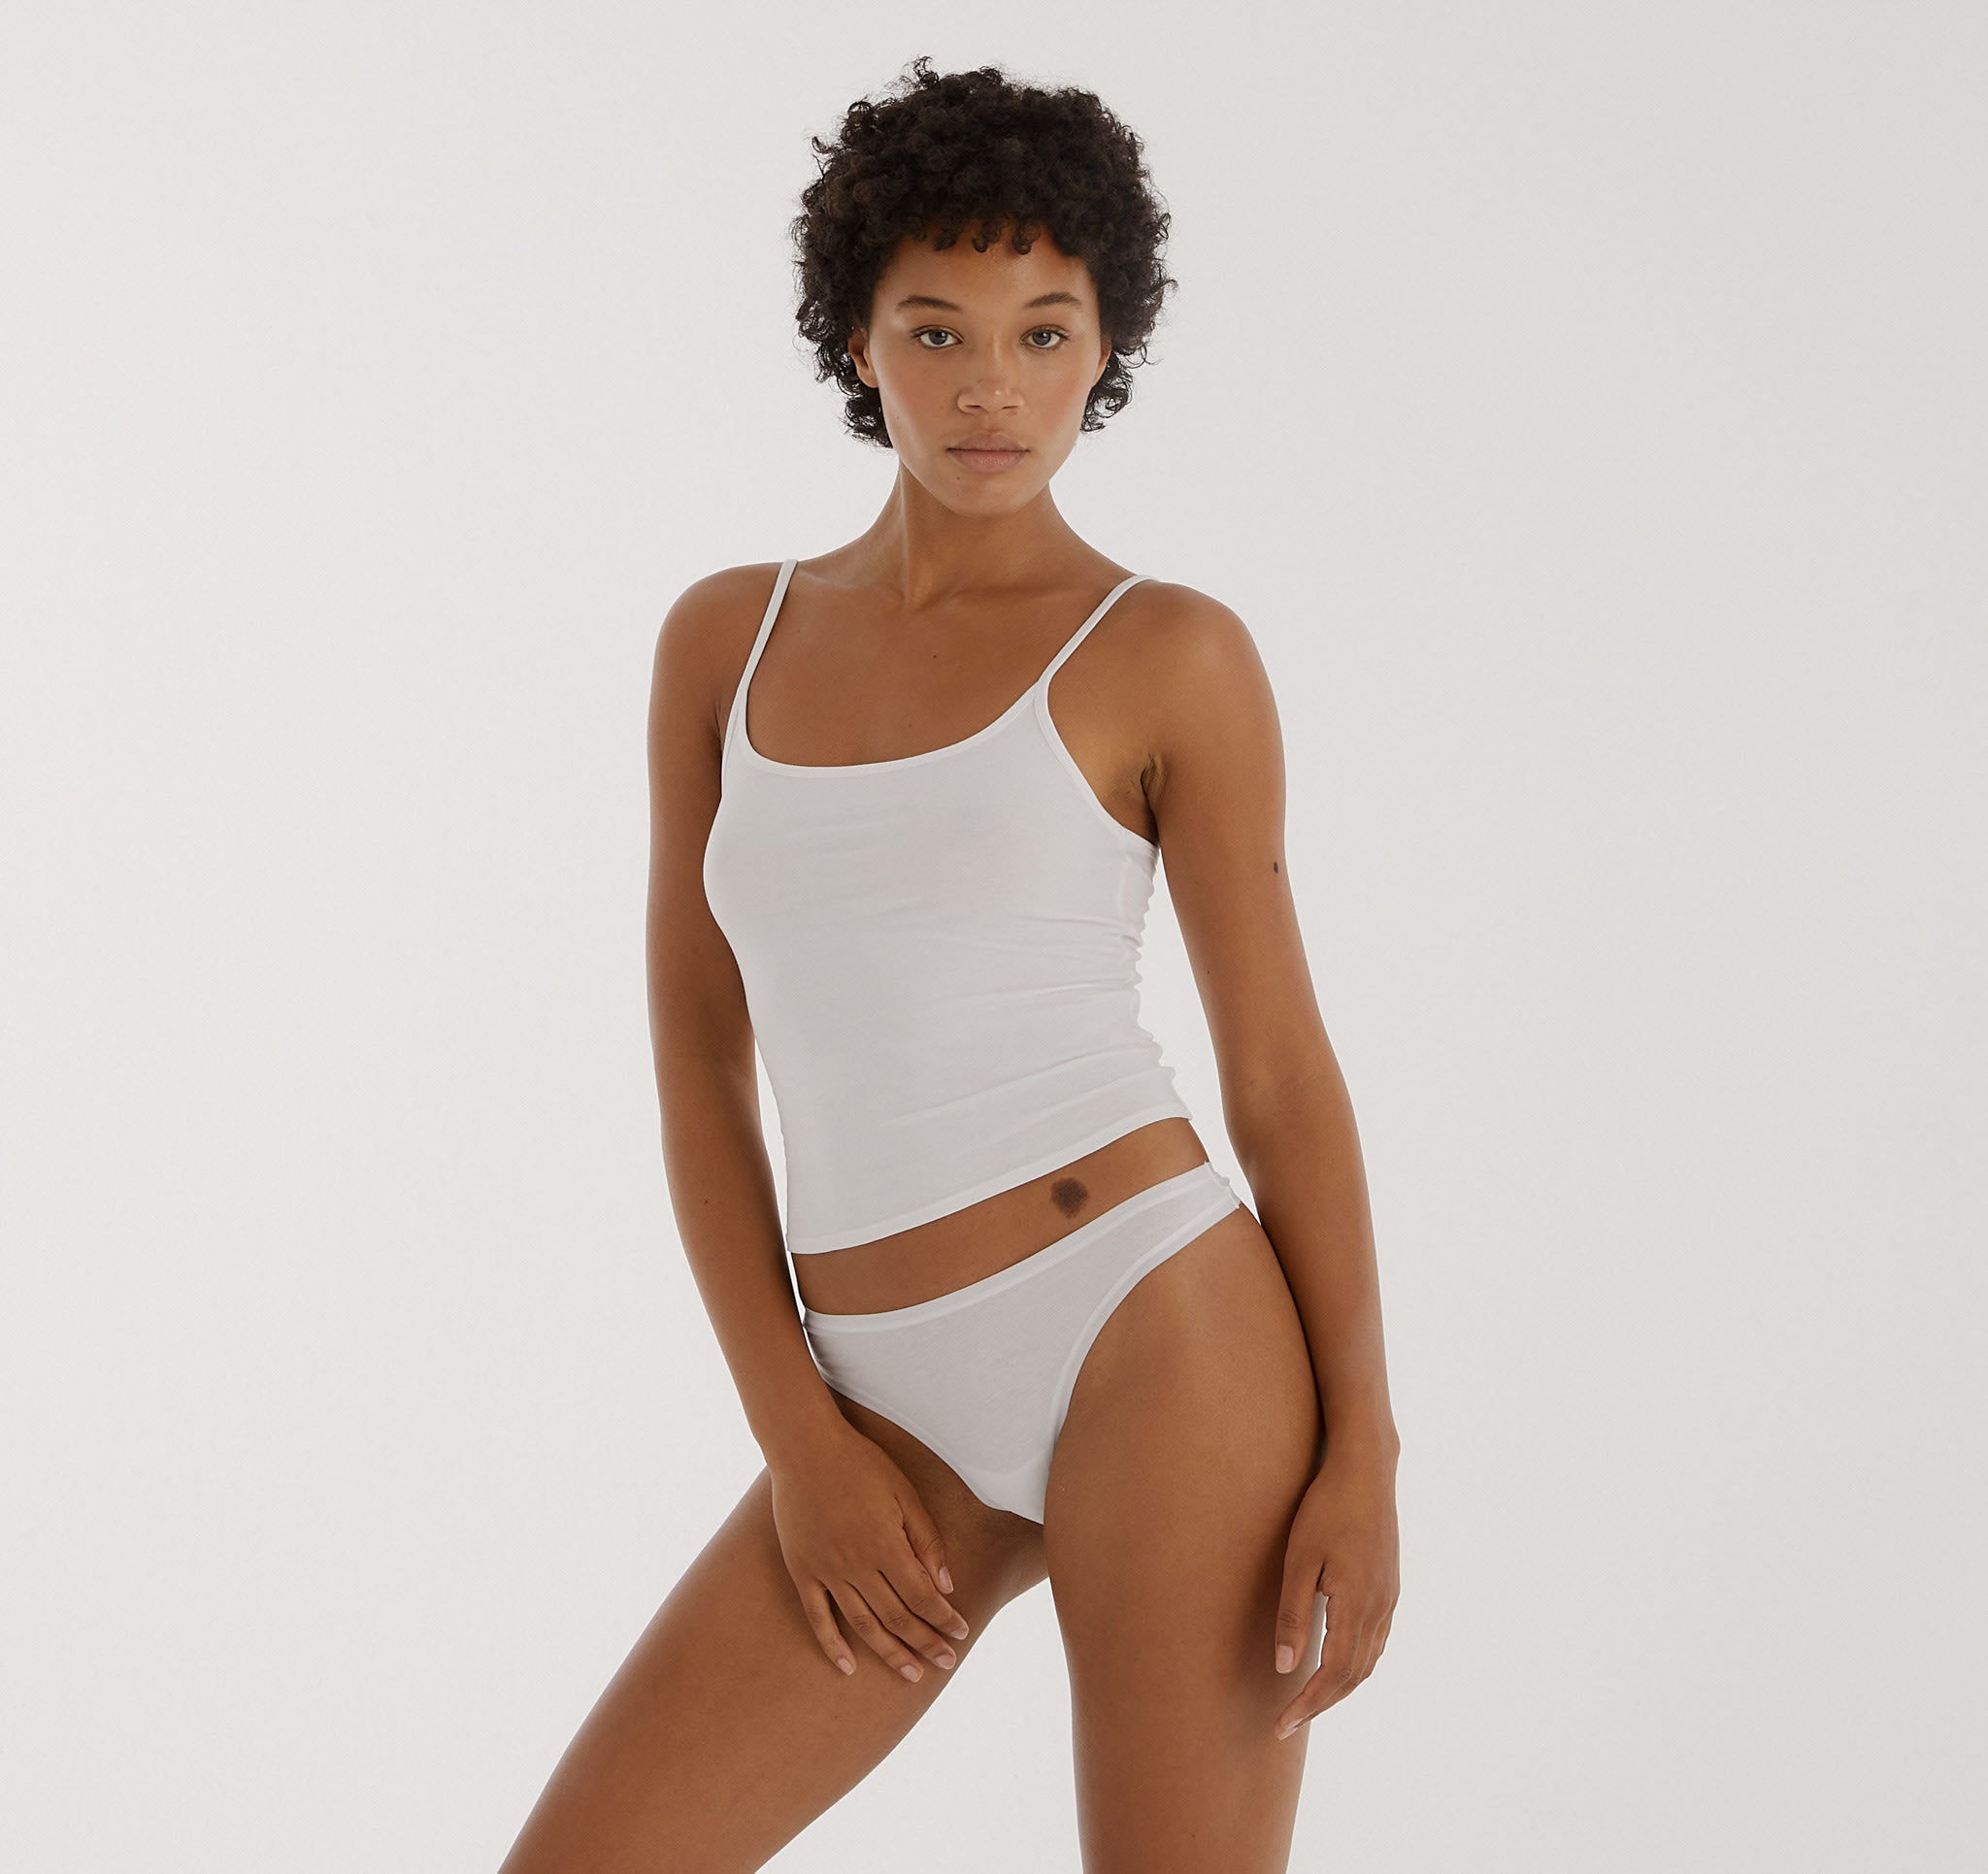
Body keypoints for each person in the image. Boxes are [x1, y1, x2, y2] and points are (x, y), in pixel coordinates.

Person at [499, 55, 1401, 1874]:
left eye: (1045, 335)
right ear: (858, 341)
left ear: (1105, 350)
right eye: (938, 333)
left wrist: (1364, 1452)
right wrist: (798, 1440)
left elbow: (1281, 1075)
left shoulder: (1169, 654)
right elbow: (697, 1065)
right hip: (871, 1394)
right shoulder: (724, 641)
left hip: (1155, 1326)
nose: (993, 389)